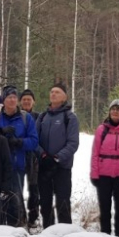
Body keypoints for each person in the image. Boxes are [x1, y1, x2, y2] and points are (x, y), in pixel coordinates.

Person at [36, 83, 79, 228]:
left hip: (62, 167)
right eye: (52, 91)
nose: (53, 94)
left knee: (63, 203)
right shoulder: (42, 117)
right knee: (45, 203)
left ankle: (65, 233)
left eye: (57, 92)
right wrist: (43, 155)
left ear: (65, 97)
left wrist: (57, 158)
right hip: (44, 166)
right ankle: (47, 232)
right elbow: (34, 140)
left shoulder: (70, 117)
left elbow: (73, 143)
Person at [0, 85, 39, 227]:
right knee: (0, 201)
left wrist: (19, 142)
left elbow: (34, 141)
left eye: (14, 97)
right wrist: (0, 134)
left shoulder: (26, 118)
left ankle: (18, 228)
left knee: (16, 200)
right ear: (4, 99)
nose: (12, 100)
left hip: (17, 165)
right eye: (9, 97)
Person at [90, 99, 119, 236]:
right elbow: (95, 153)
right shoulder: (102, 129)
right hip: (103, 175)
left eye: (118, 109)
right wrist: (94, 174)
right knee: (105, 208)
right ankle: (104, 236)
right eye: (113, 109)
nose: (115, 111)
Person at [19, 89, 41, 228]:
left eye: (29, 99)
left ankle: (33, 217)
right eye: (24, 99)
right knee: (18, 187)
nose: (26, 101)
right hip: (19, 156)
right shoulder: (16, 116)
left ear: (34, 101)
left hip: (34, 158)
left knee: (34, 189)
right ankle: (20, 216)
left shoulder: (40, 117)